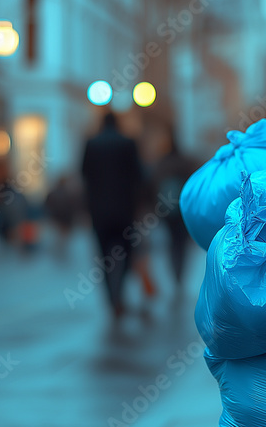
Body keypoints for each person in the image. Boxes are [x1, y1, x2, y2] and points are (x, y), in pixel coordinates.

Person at [81, 112, 143, 318]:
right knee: (126, 254)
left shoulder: (91, 144)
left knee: (104, 257)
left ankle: (111, 297)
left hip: (99, 212)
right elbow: (139, 176)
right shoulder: (127, 143)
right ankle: (120, 293)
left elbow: (84, 175)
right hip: (125, 211)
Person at [149, 127, 198, 289]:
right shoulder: (186, 161)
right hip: (183, 208)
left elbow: (153, 187)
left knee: (172, 243)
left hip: (167, 210)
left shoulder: (161, 163)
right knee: (181, 243)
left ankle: (175, 274)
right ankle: (180, 273)